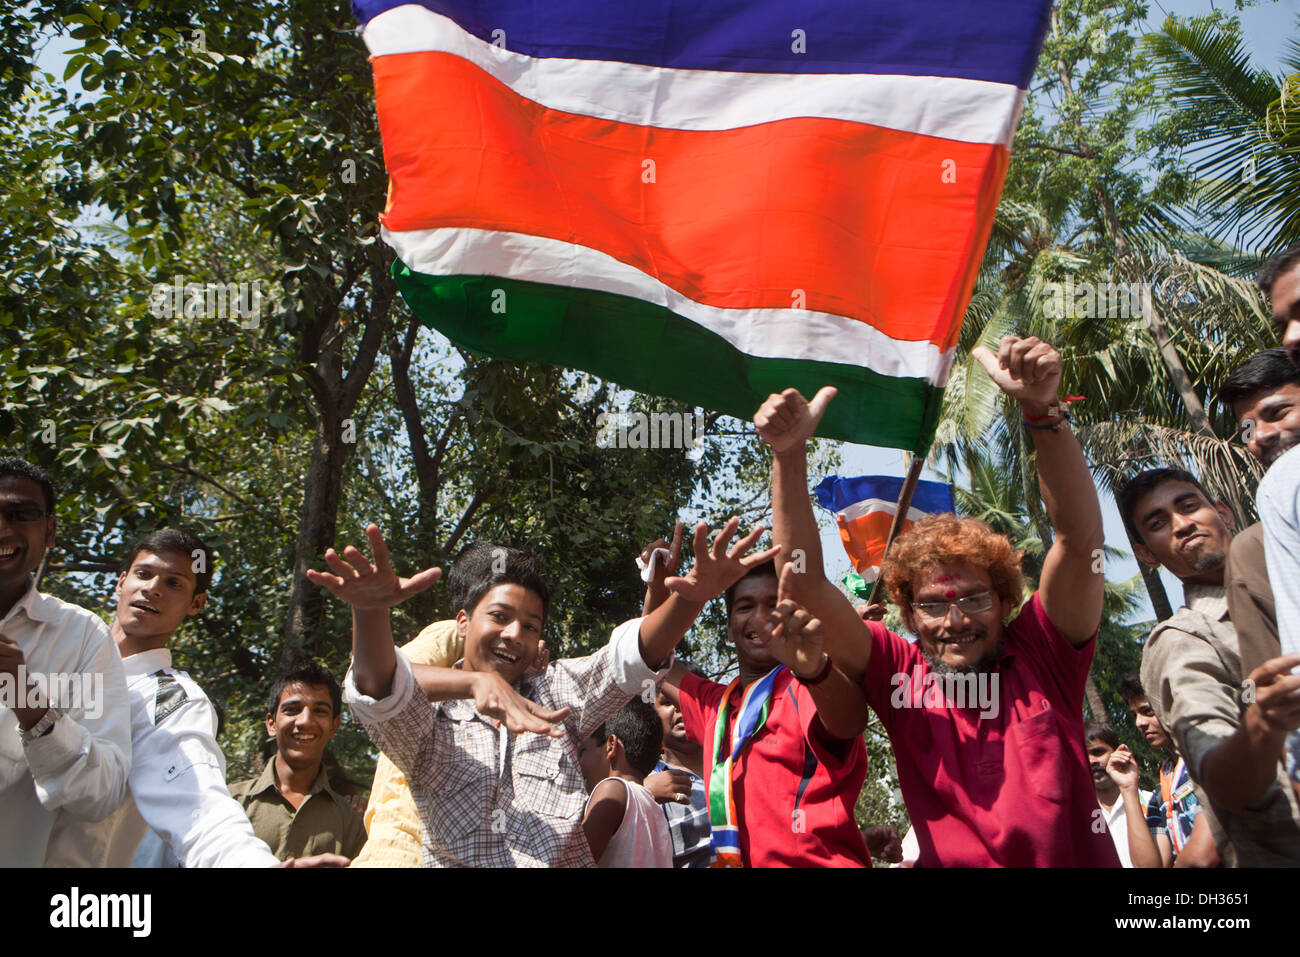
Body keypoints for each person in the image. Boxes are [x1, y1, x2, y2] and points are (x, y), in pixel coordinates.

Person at [759, 336, 1119, 867]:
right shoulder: (896, 673)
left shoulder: (1048, 652)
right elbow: (807, 585)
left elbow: (1080, 540)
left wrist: (1041, 409)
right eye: (932, 605)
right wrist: (789, 458)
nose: (954, 621)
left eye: (973, 599)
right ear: (907, 616)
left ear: (1004, 601)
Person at [321, 521, 776, 867]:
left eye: (531, 625)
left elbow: (633, 655)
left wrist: (693, 597)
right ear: (462, 623)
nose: (514, 634)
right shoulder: (430, 720)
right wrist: (369, 611)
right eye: (499, 616)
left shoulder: (557, 689)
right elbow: (379, 686)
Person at [97, 530, 303, 867]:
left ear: (197, 603)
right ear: (121, 581)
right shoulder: (51, 648)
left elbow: (199, 805)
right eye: (144, 574)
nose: (152, 588)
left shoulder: (172, 702)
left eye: (174, 583)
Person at [658, 552, 873, 868]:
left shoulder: (810, 686)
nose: (760, 617)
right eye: (745, 607)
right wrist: (663, 586)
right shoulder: (715, 707)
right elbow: (656, 657)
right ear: (730, 630)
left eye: (773, 606)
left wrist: (818, 671)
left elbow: (852, 722)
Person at [0, 457, 132, 867]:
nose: (2, 529)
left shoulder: (82, 638)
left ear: (50, 531)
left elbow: (104, 791)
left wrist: (30, 705)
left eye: (20, 514)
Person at [350, 540, 505, 868]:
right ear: (467, 613)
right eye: (502, 609)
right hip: (400, 848)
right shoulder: (446, 635)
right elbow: (389, 682)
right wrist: (476, 682)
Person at [229, 662, 368, 860]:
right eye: (292, 709)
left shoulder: (351, 821)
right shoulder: (230, 803)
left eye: (320, 711)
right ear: (271, 724)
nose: (305, 721)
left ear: (333, 726)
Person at [1110, 673, 1217, 867]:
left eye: (1147, 711)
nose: (1139, 723)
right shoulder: (1163, 789)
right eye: (1135, 715)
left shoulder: (1208, 759)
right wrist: (1128, 790)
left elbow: (1204, 856)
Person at [581, 698, 672, 868]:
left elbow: (574, 860)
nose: (579, 762)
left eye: (582, 751)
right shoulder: (654, 808)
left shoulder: (611, 790)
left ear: (611, 745)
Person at [1087, 722, 1150, 868]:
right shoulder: (1079, 817)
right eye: (1085, 755)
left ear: (1119, 752)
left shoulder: (1150, 802)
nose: (1092, 761)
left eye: (1098, 752)